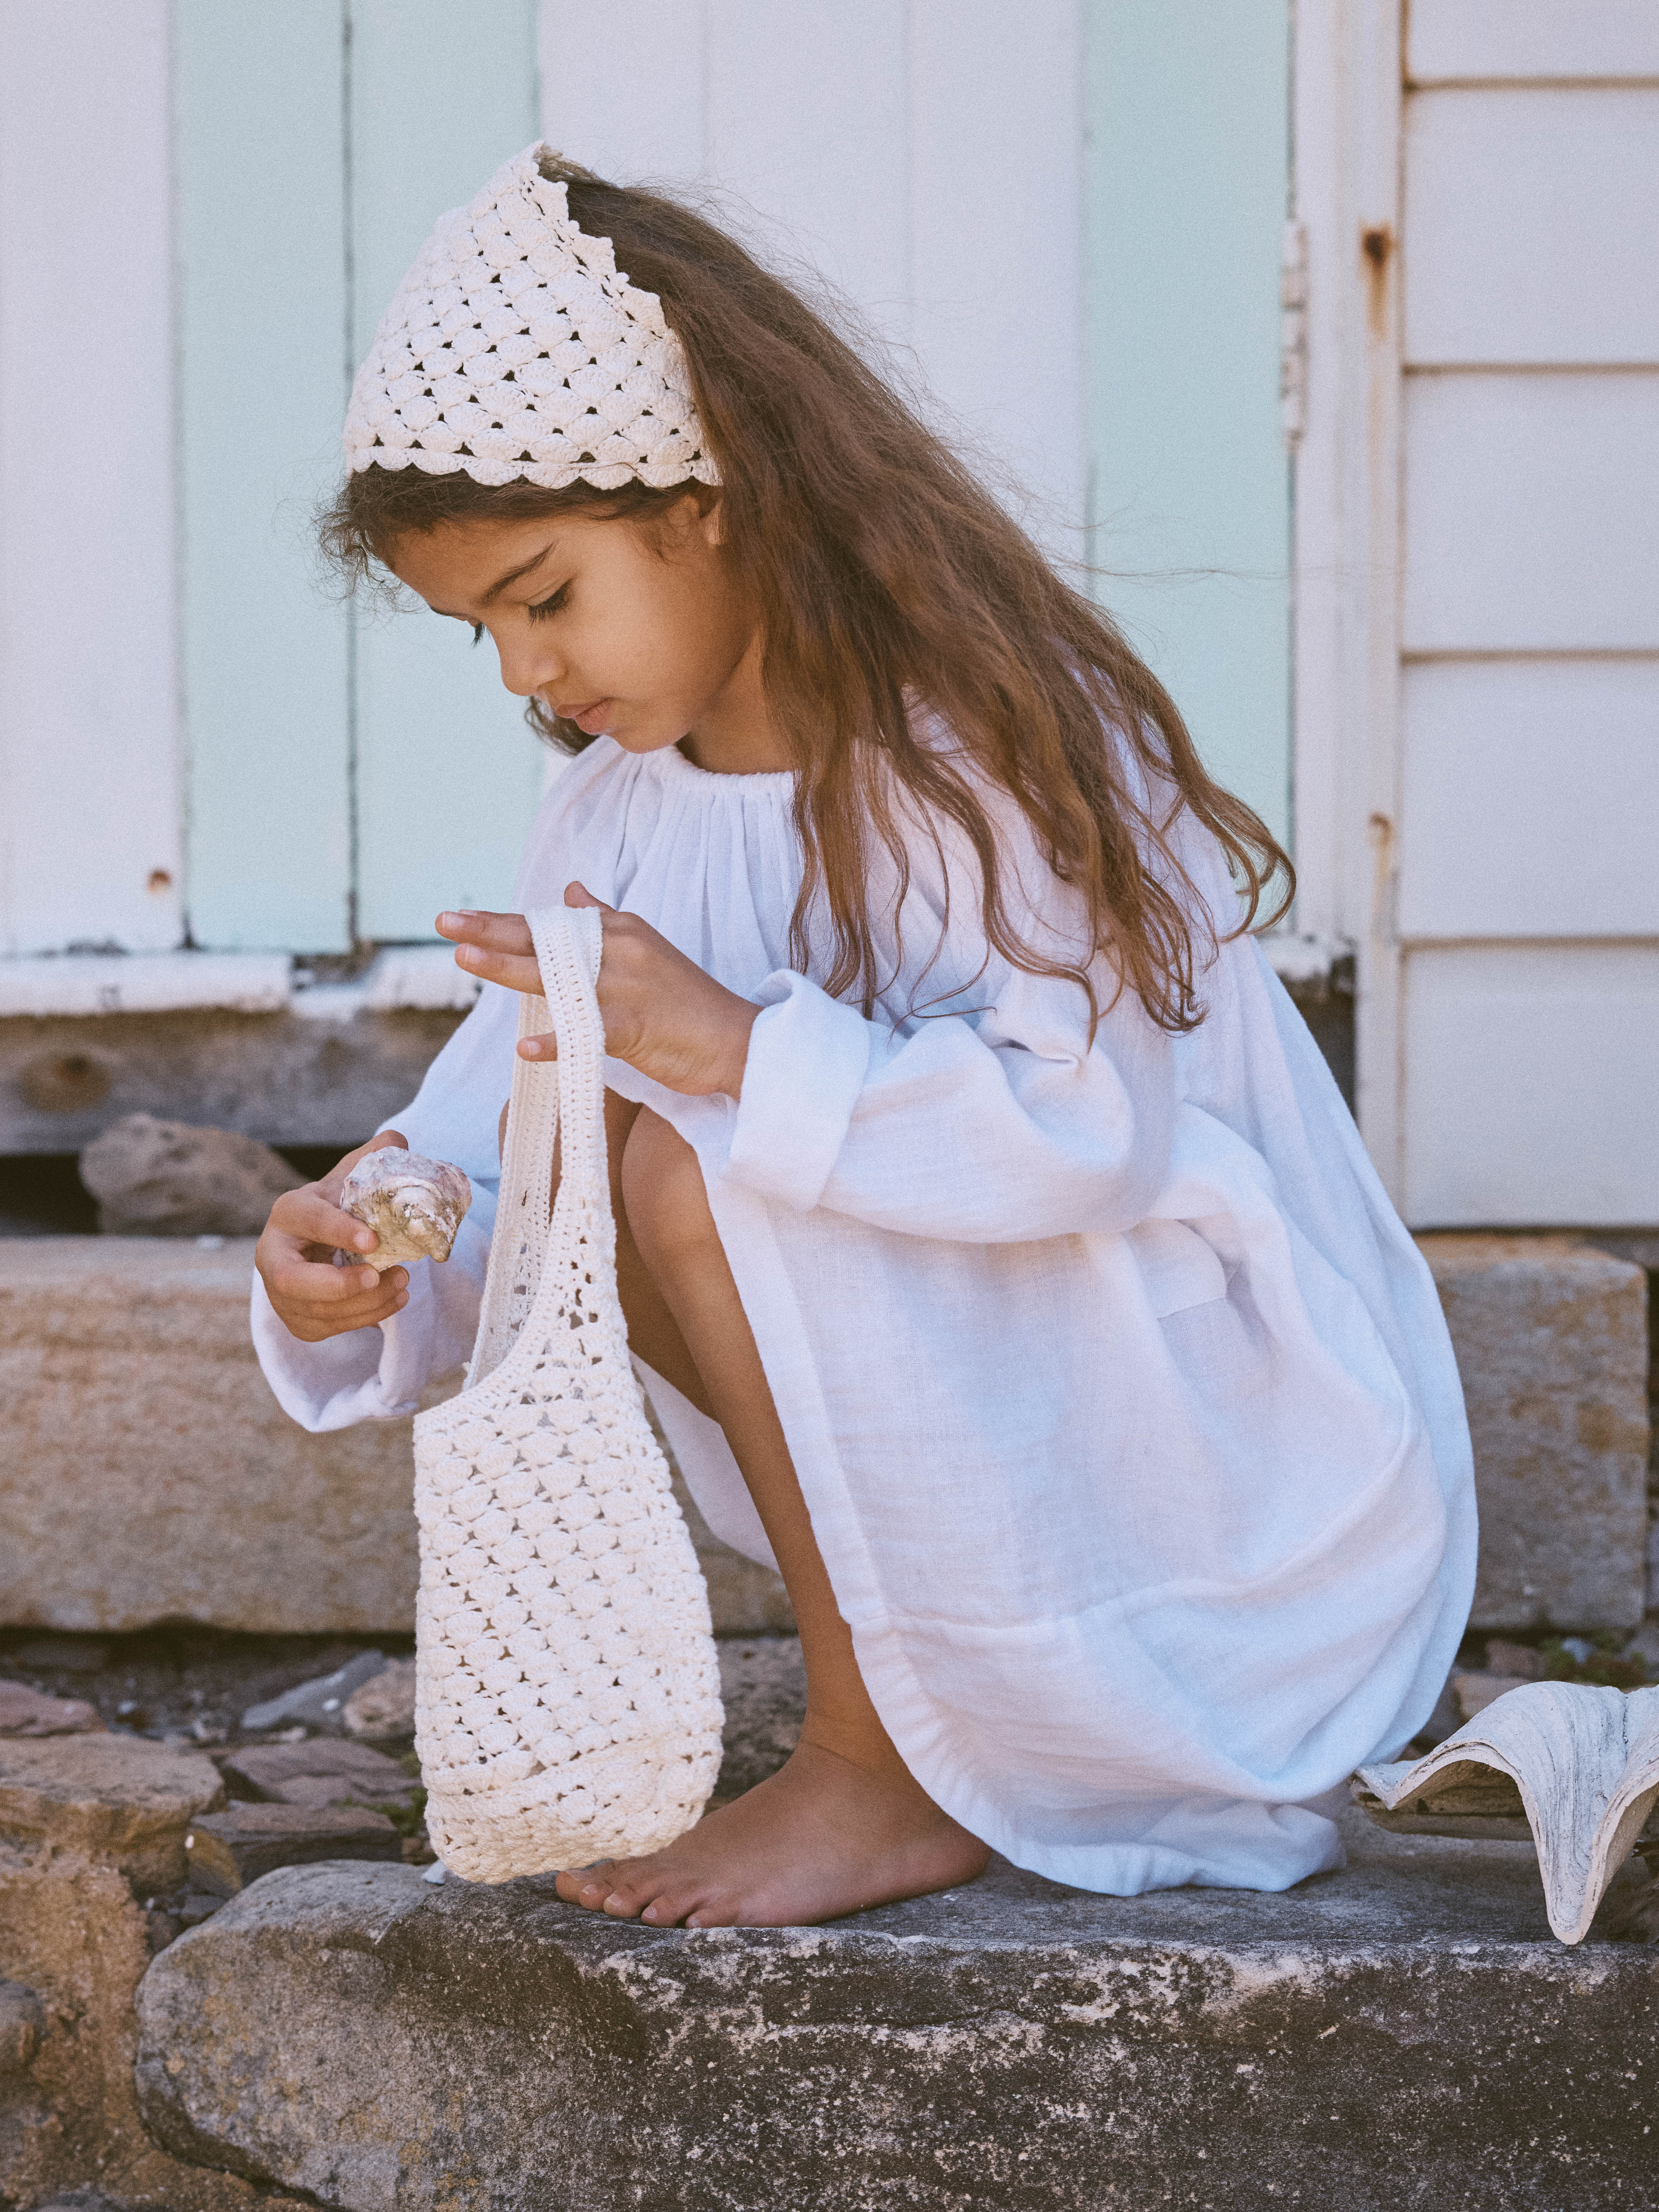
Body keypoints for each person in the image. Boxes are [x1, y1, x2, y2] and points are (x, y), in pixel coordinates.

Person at [253, 144, 1475, 1931]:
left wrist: (744, 1045)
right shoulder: (620, 811)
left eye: (546, 595)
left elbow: (1089, 1137)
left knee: (682, 1151)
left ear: (714, 498)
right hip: (974, 1436)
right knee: (586, 1125)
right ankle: (900, 1714)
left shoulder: (984, 764)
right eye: (482, 632)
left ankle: (878, 1764)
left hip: (1184, 1468)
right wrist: (369, 1241)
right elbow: (493, 1122)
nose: (524, 672)